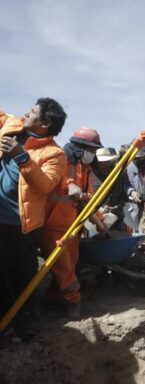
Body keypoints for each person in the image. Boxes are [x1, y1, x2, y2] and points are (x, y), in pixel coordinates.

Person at [0, 98, 67, 339]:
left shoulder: (55, 154)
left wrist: (22, 157)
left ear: (45, 123)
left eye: (33, 112)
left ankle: (24, 327)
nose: (26, 112)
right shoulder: (10, 125)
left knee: (22, 279)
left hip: (21, 227)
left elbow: (46, 185)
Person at [42, 127, 103, 319]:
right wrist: (69, 184)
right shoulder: (60, 158)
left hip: (72, 226)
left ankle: (52, 297)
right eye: (91, 150)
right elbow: (55, 177)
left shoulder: (85, 168)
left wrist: (101, 223)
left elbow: (89, 200)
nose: (92, 155)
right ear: (79, 147)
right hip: (52, 225)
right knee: (64, 268)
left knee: (71, 264)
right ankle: (74, 302)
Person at [91, 147, 129, 233]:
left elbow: (122, 192)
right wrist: (100, 209)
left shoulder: (118, 172)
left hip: (118, 215)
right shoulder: (91, 174)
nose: (105, 165)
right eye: (102, 162)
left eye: (107, 162)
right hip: (97, 218)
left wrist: (117, 206)